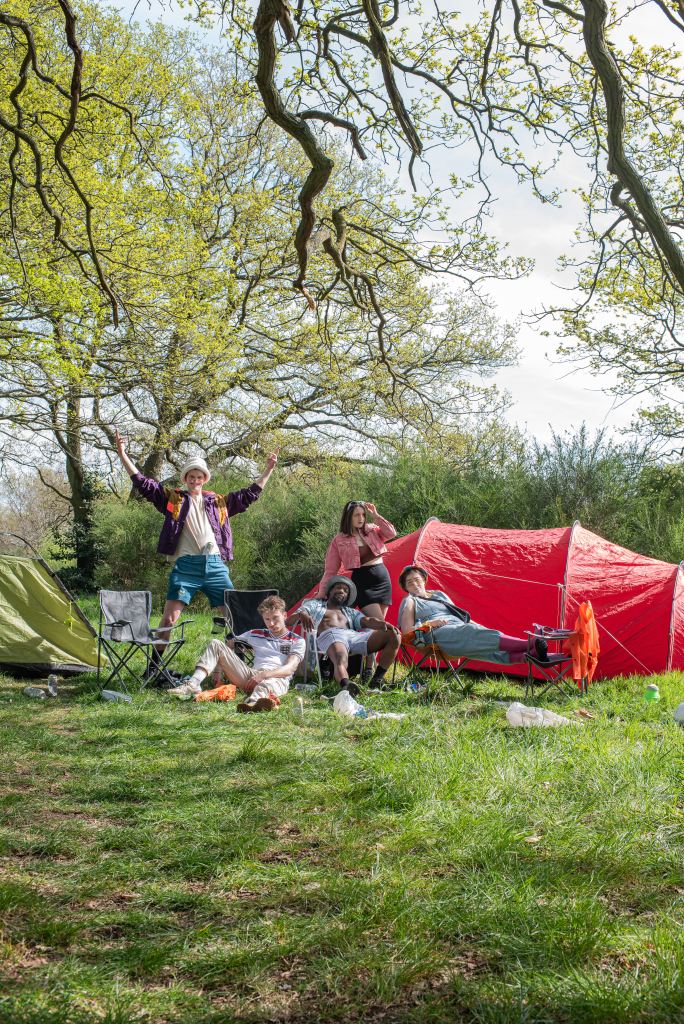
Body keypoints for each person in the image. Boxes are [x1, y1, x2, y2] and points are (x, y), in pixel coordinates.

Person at [114, 429, 277, 679]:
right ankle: (153, 668)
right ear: (186, 478)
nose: (195, 480)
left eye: (199, 476)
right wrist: (122, 453)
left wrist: (268, 470)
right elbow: (144, 484)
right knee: (169, 618)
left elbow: (249, 495)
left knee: (234, 616)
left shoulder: (219, 502)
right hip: (186, 567)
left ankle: (239, 667)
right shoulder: (173, 499)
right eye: (191, 476)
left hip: (215, 566)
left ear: (204, 479)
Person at [169, 595, 305, 712]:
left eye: (275, 618)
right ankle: (193, 683)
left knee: (266, 685)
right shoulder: (255, 634)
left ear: (285, 616)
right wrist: (218, 671)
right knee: (216, 643)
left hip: (277, 678)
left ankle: (252, 702)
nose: (272, 623)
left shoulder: (297, 640)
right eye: (267, 619)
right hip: (252, 675)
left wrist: (264, 675)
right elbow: (229, 644)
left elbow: (289, 668)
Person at [398, 564, 547, 664]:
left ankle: (530, 656)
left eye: (417, 580)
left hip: (458, 627)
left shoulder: (439, 595)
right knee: (469, 632)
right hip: (435, 634)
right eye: (409, 583)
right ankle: (528, 644)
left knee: (481, 639)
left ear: (424, 580)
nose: (415, 584)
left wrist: (479, 627)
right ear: (406, 588)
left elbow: (459, 615)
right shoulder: (410, 601)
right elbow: (407, 633)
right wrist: (429, 624)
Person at [290, 576, 401, 695]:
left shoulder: (349, 611)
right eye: (338, 587)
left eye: (346, 590)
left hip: (353, 636)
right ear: (330, 591)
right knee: (340, 655)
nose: (342, 591)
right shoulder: (315, 604)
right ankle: (347, 685)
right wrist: (302, 614)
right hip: (330, 634)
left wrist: (382, 624)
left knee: (394, 635)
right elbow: (288, 621)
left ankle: (376, 681)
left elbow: (366, 620)